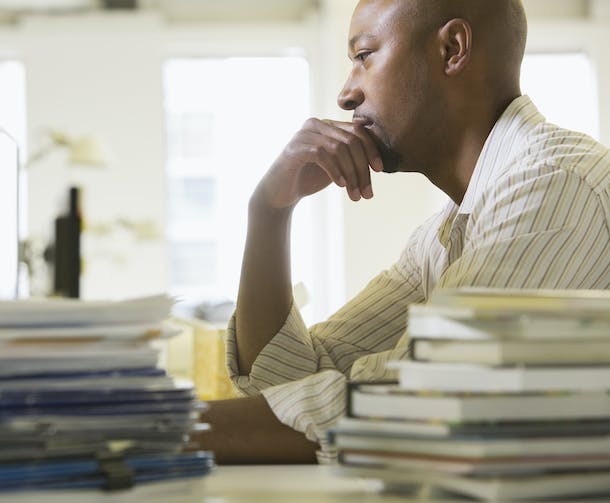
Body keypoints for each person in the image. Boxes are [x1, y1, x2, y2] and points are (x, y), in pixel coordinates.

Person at [195, 0, 610, 464]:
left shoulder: (552, 186)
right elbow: (288, 385)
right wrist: (269, 211)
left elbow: (420, 405)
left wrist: (145, 431)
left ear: (453, 49)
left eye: (364, 56)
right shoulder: (442, 235)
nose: (346, 94)